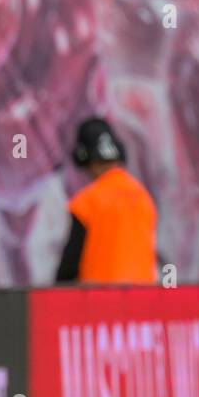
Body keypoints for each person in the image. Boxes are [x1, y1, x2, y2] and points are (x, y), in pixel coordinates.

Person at [56, 118, 158, 285]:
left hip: (99, 298)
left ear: (84, 157)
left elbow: (69, 267)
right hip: (141, 297)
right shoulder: (143, 197)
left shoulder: (87, 201)